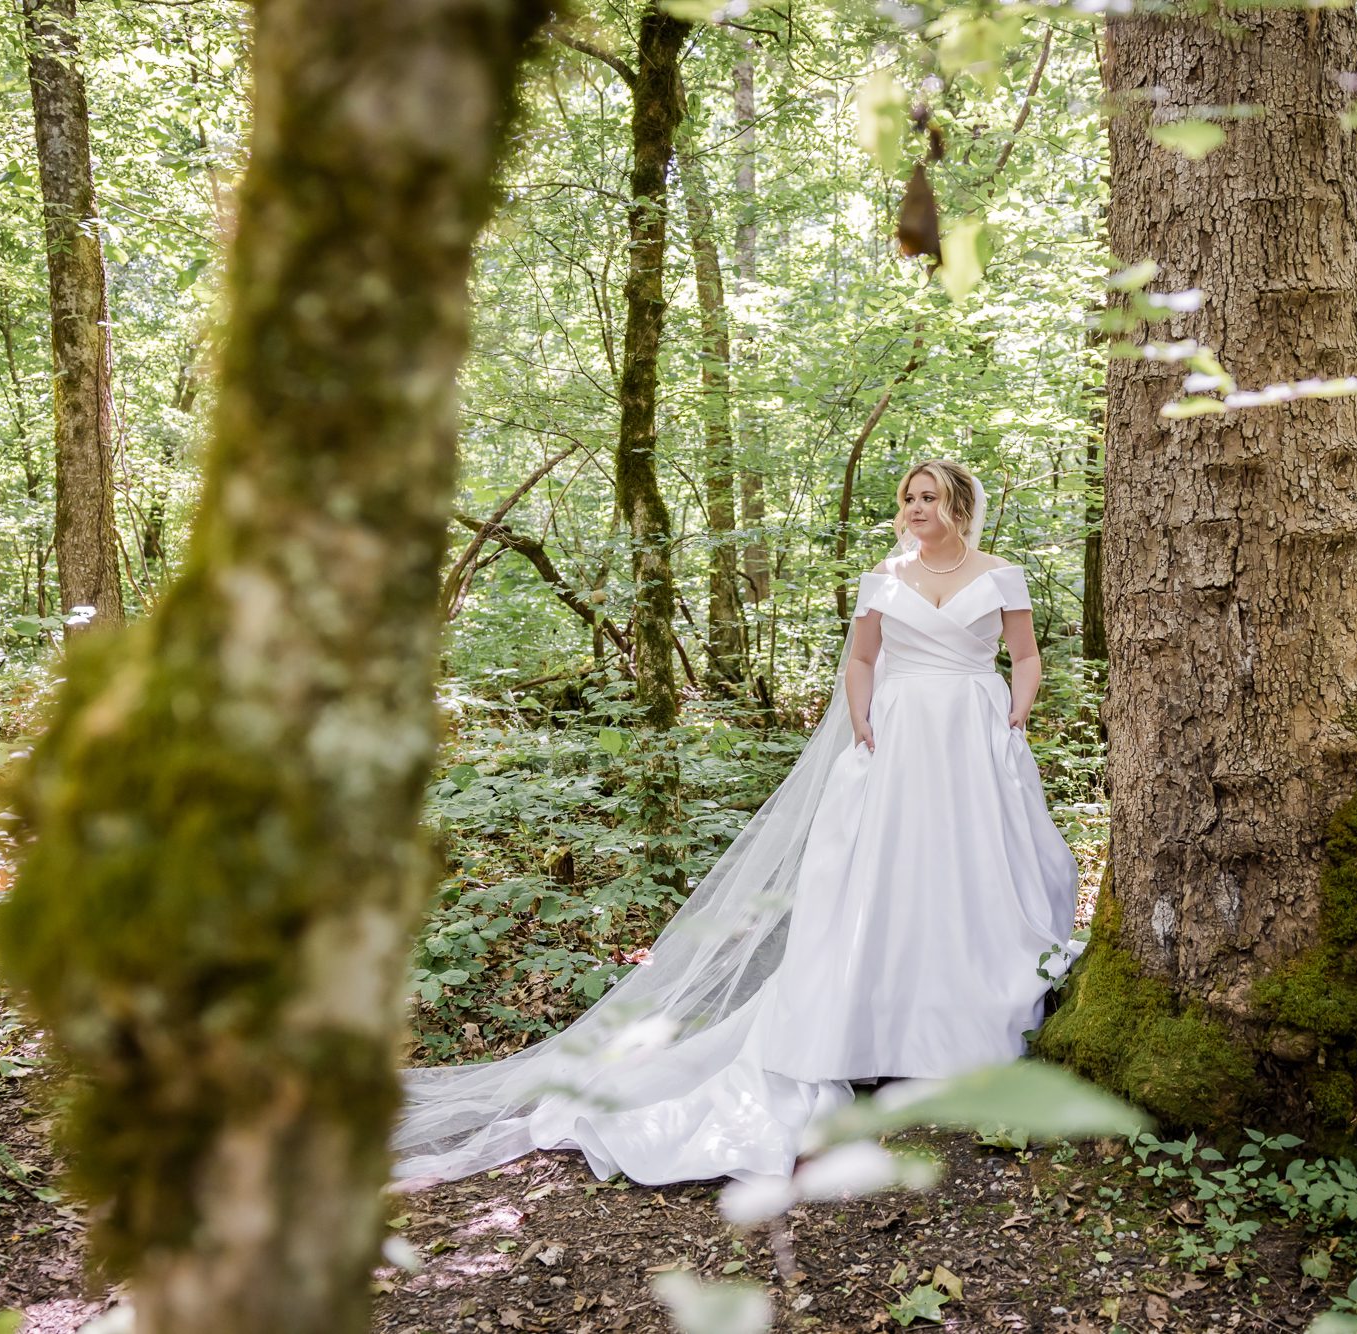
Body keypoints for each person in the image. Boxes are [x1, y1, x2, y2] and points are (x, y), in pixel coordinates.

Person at [389, 459, 1083, 1191]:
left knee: (969, 873)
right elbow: (862, 660)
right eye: (908, 497)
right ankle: (877, 1029)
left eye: (928, 497)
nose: (914, 507)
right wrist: (862, 721)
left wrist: (1014, 717)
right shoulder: (884, 576)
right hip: (899, 735)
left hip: (973, 735)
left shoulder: (1000, 573)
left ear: (959, 505)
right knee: (886, 878)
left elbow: (1026, 655)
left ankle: (963, 1029)